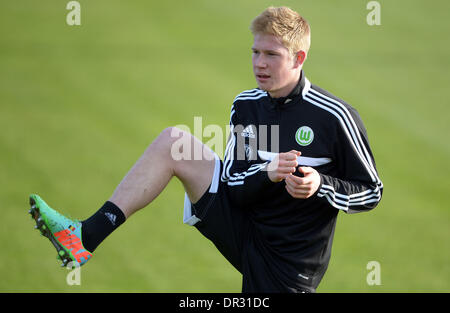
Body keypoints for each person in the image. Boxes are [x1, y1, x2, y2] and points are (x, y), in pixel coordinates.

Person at [28, 6, 383, 293]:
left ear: (298, 57)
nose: (260, 63)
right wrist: (268, 173)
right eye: (256, 52)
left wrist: (320, 185)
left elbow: (371, 191)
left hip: (291, 265)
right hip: (243, 227)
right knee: (174, 142)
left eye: (271, 55)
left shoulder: (334, 116)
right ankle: (85, 236)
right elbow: (234, 184)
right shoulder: (247, 105)